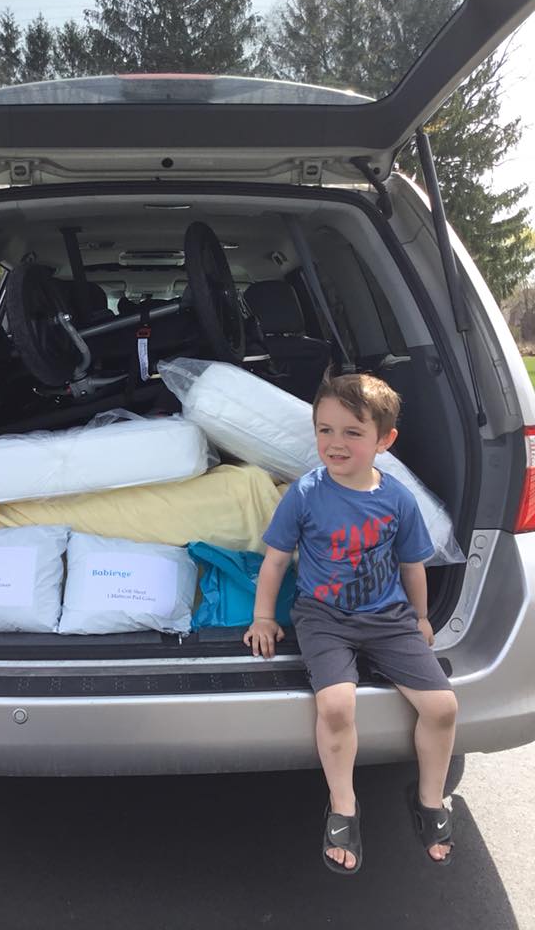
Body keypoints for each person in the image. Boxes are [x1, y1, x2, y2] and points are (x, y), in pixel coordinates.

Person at [243, 373, 457, 874]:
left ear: (385, 441)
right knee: (336, 704)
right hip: (323, 617)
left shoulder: (398, 499)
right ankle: (344, 805)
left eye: (352, 433)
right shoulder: (305, 493)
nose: (335, 444)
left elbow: (412, 566)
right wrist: (263, 617)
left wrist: (422, 618)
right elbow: (275, 561)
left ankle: (430, 800)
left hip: (388, 617)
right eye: (324, 430)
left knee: (443, 706)